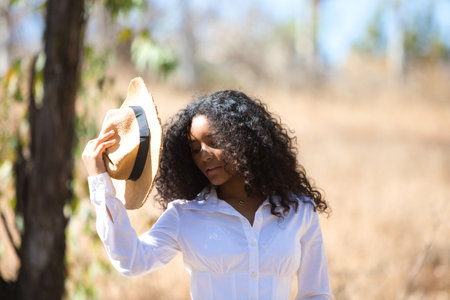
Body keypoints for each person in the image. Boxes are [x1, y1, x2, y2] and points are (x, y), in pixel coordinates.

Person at [83, 88, 333, 300]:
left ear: (244, 140)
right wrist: (99, 182)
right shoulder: (186, 215)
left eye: (214, 141)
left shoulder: (299, 211)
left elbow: (316, 293)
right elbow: (131, 260)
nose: (203, 154)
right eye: (194, 148)